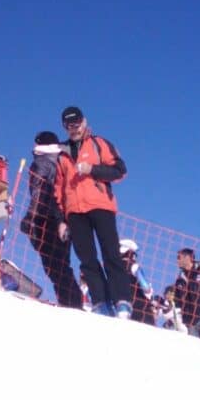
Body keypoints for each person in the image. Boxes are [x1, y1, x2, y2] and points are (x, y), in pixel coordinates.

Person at [54, 106, 130, 318]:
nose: (74, 128)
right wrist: (61, 220)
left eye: (77, 123)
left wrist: (92, 170)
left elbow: (120, 171)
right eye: (69, 125)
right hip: (75, 212)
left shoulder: (99, 143)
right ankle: (100, 303)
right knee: (87, 259)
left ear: (84, 122)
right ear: (65, 127)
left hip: (100, 206)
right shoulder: (62, 155)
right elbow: (58, 190)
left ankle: (122, 301)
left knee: (111, 253)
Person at [20, 131, 82, 308]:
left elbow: (40, 192)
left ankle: (69, 303)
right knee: (63, 264)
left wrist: (30, 217)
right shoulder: (65, 161)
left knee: (52, 265)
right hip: (67, 217)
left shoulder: (41, 163)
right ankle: (73, 302)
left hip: (46, 217)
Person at [119, 238, 155, 324]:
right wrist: (149, 292)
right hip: (141, 306)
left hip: (122, 305)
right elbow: (146, 287)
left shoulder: (114, 269)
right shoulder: (133, 266)